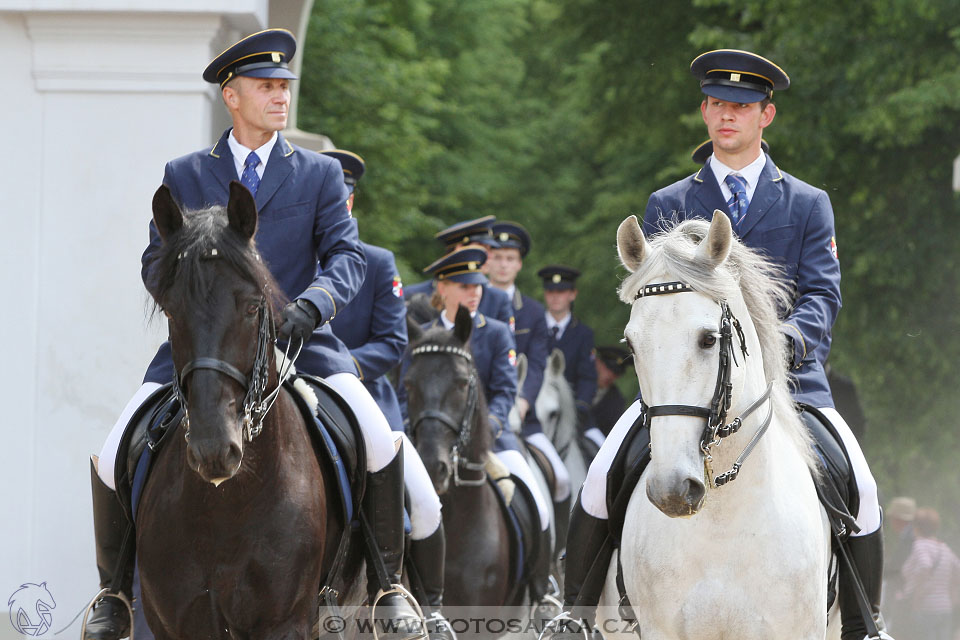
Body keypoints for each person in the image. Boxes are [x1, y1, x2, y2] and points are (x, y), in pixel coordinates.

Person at [85, 30, 422, 640]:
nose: (280, 97)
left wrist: (313, 305)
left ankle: (389, 586)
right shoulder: (185, 174)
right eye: (266, 88)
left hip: (302, 343)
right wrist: (188, 301)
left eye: (283, 87)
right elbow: (152, 260)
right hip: (206, 349)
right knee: (114, 452)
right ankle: (113, 595)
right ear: (231, 96)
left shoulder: (317, 174)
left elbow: (345, 256)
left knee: (377, 439)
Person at [551, 49, 891, 640]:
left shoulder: (807, 203)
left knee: (858, 483)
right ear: (705, 113)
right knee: (603, 474)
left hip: (786, 384)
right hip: (683, 383)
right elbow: (658, 306)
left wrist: (779, 343)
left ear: (767, 116)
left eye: (740, 106)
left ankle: (866, 627)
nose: (725, 115)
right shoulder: (668, 203)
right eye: (715, 104)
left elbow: (821, 296)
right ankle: (573, 618)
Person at [324, 149, 453, 640]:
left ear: (349, 202)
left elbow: (393, 342)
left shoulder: (377, 263)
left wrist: (345, 366)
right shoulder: (285, 259)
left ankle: (426, 607)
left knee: (424, 505)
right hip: (291, 389)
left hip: (365, 398)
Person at [399, 245, 556, 604]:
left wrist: (494, 424)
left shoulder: (497, 332)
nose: (475, 293)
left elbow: (504, 389)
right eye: (465, 286)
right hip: (429, 439)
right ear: (442, 289)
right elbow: (404, 391)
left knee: (535, 500)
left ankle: (543, 590)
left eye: (478, 286)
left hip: (490, 442)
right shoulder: (420, 336)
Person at [488, 221, 571, 551]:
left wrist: (523, 402)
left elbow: (537, 364)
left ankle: (558, 559)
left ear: (519, 263)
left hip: (524, 415)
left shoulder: (534, 313)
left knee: (562, 478)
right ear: (486, 260)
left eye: (510, 258)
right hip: (482, 409)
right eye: (497, 257)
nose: (504, 264)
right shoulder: (473, 302)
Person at [404, 216, 515, 326]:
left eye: (490, 249)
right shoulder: (412, 295)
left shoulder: (498, 299)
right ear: (459, 248)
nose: (490, 256)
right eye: (482, 248)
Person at [537, 265, 597, 436]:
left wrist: (580, 407)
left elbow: (587, 377)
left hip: (575, 413)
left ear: (572, 294)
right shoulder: (534, 328)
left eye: (561, 291)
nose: (555, 296)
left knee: (600, 452)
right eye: (550, 291)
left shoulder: (584, 334)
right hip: (538, 409)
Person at [896, 507, 959, 640]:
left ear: (917, 527)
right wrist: (953, 598)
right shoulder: (944, 547)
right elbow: (957, 571)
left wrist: (916, 595)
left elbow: (925, 565)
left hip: (925, 607)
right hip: (945, 608)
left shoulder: (920, 545)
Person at [886, 497, 918, 635]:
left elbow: (899, 565)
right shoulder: (908, 535)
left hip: (904, 591)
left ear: (899, 519)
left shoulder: (909, 538)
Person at [590, 346, 630, 440]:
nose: (610, 375)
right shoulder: (577, 384)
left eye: (615, 373)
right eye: (607, 368)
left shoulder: (617, 402)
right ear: (598, 362)